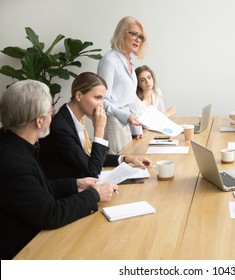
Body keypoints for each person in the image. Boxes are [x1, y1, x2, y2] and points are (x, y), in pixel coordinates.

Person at [0, 80, 119, 260]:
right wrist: (95, 195)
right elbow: (50, 214)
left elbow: (37, 190)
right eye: (50, 112)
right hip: (25, 251)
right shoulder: (13, 161)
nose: (53, 116)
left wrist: (74, 185)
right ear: (40, 120)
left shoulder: (13, 143)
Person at [39, 72, 151, 180]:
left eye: (103, 99)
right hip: (65, 193)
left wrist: (126, 159)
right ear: (79, 95)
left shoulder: (77, 118)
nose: (101, 104)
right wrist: (99, 130)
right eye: (97, 98)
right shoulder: (61, 126)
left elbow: (89, 158)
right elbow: (92, 171)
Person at [97, 16, 147, 154]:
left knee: (131, 163)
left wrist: (137, 129)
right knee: (118, 165)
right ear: (122, 33)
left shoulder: (129, 62)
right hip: (113, 122)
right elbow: (101, 100)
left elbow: (130, 99)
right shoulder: (109, 61)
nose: (138, 39)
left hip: (128, 122)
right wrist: (126, 117)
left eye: (141, 37)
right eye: (134, 34)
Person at [129, 65, 176, 136]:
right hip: (141, 135)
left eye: (149, 77)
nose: (147, 82)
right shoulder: (135, 99)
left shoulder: (157, 92)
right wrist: (168, 113)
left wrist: (163, 116)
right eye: (142, 80)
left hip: (156, 132)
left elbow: (162, 118)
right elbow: (145, 124)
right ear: (138, 84)